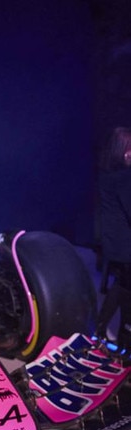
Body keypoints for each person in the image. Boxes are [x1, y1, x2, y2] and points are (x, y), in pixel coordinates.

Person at [96, 126, 131, 354]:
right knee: (127, 289)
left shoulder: (107, 174)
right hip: (126, 244)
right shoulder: (124, 177)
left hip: (115, 242)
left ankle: (100, 329)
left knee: (122, 286)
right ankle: (124, 340)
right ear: (126, 152)